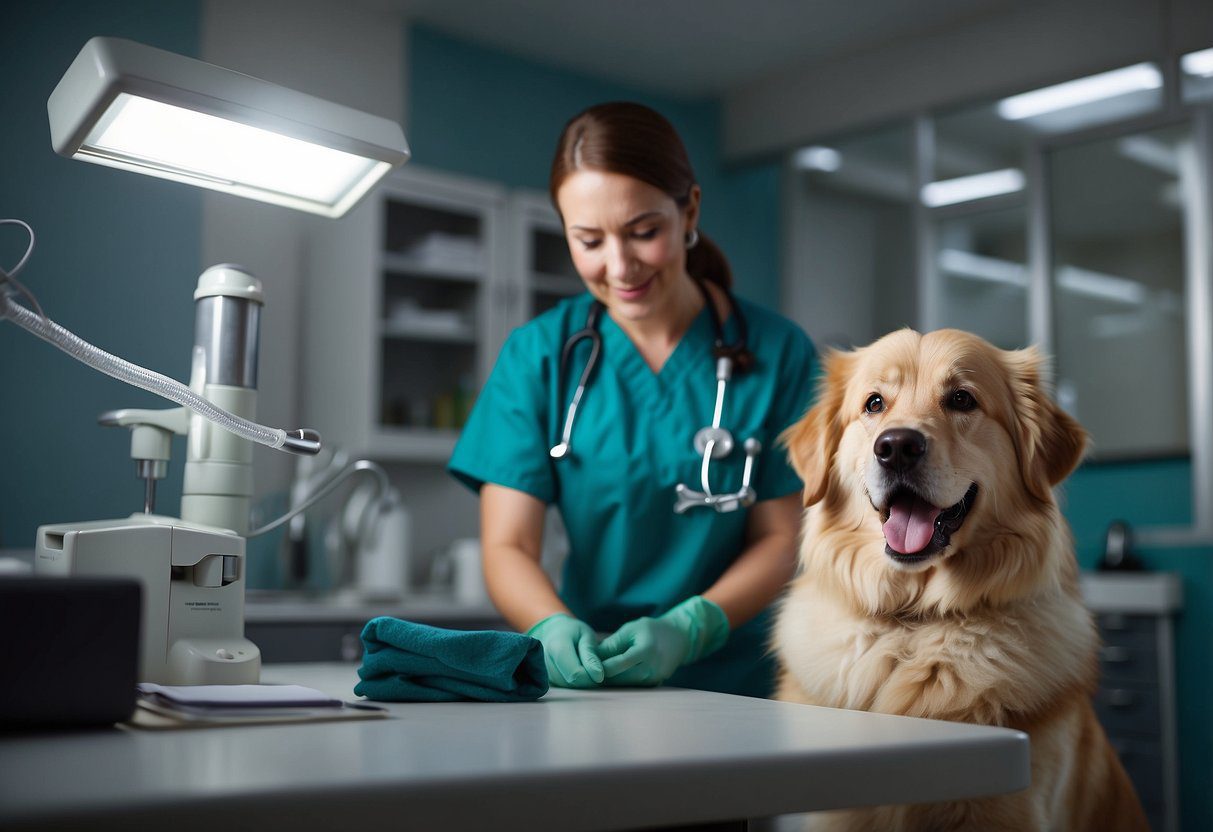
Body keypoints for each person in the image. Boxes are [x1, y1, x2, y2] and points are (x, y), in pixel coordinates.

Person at [448, 101, 817, 697]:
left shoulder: (780, 353)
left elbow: (783, 536)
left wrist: (691, 628)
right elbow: (509, 544)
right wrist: (550, 625)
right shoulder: (540, 356)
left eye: (644, 232)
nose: (620, 266)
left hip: (743, 688)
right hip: (595, 682)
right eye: (589, 240)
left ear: (689, 210)